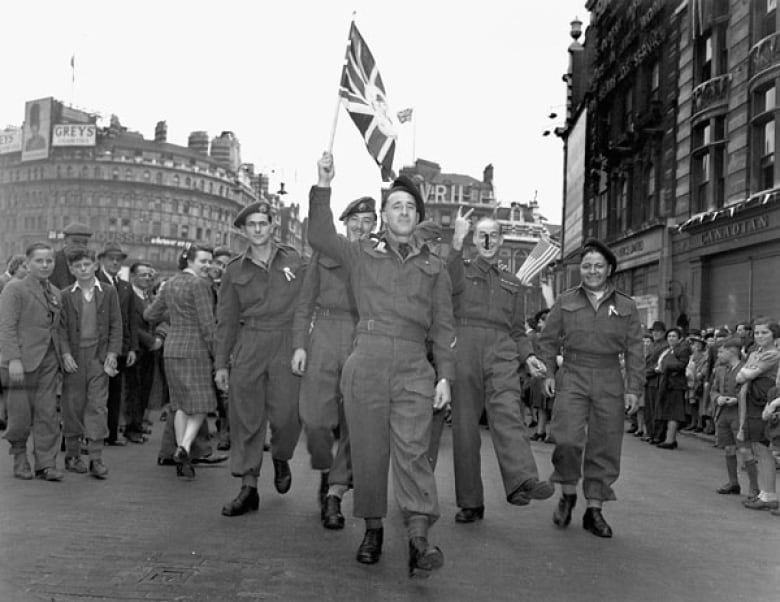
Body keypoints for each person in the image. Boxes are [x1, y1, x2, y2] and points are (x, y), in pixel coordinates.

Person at [309, 152, 455, 578]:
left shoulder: (435, 266)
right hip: (367, 357)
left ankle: (418, 538)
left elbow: (444, 327)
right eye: (396, 206)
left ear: (417, 216)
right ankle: (372, 529)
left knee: (413, 452)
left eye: (410, 207)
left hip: (414, 364)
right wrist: (323, 185)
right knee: (369, 451)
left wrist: (444, 375)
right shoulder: (360, 254)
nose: (404, 212)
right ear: (384, 217)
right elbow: (320, 236)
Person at [445, 209, 553, 524]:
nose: (489, 240)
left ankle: (522, 479)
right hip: (465, 346)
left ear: (502, 241)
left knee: (508, 412)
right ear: (475, 240)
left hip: (502, 349)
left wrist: (528, 356)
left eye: (494, 235)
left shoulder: (512, 282)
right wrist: (456, 239)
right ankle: (470, 502)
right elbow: (444, 280)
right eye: (482, 235)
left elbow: (518, 331)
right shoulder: (461, 269)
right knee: (465, 430)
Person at [537, 238, 644, 538]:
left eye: (598, 266)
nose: (592, 271)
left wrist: (634, 388)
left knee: (605, 443)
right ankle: (568, 492)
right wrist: (547, 372)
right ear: (580, 270)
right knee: (567, 438)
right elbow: (547, 340)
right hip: (572, 373)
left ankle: (594, 509)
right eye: (587, 266)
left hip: (610, 375)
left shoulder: (626, 306)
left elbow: (636, 350)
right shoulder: (565, 300)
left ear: (609, 268)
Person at [291, 195, 377, 529]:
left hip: (363, 334)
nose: (360, 226)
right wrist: (299, 345)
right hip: (324, 334)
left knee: (356, 421)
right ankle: (326, 468)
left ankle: (334, 493)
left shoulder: (378, 258)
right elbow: (304, 303)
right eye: (355, 220)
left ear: (374, 226)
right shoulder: (325, 254)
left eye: (368, 221)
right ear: (344, 224)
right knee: (315, 418)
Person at [215, 201, 304, 517]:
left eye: (262, 223)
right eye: (250, 224)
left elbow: (306, 307)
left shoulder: (294, 260)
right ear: (243, 230)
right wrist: (221, 364)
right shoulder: (234, 270)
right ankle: (248, 487)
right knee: (246, 418)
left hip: (286, 342)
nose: (256, 229)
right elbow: (226, 319)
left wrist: (301, 346)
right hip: (250, 342)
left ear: (272, 227)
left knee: (287, 416)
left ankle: (281, 456)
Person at [144, 244, 217, 480]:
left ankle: (181, 453)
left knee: (180, 403)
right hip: (195, 349)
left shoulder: (170, 283)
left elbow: (150, 315)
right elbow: (207, 324)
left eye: (210, 261)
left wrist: (175, 317)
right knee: (202, 403)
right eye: (203, 261)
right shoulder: (200, 285)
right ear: (190, 261)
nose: (208, 266)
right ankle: (184, 446)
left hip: (172, 347)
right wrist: (218, 354)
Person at [0, 242, 64, 481]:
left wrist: (62, 357)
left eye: (49, 261)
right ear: (27, 264)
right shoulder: (14, 289)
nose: (45, 265)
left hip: (48, 361)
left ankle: (46, 463)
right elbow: (6, 327)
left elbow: (57, 329)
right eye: (39, 261)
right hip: (19, 363)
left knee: (48, 413)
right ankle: (19, 458)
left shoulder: (56, 293)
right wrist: (13, 359)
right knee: (19, 415)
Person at [58, 246, 122, 479]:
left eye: (87, 265)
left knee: (97, 406)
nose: (83, 269)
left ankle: (96, 457)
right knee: (73, 406)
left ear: (95, 265)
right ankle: (73, 454)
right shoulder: (65, 295)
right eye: (78, 266)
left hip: (98, 357)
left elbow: (116, 324)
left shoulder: (107, 291)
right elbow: (61, 329)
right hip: (75, 358)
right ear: (72, 269)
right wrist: (65, 354)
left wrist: (113, 354)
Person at [96, 242, 139, 445]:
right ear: (102, 260)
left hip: (120, 347)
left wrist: (132, 347)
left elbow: (131, 319)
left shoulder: (125, 286)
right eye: (111, 259)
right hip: (97, 347)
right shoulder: (94, 281)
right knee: (96, 393)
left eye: (119, 260)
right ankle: (95, 434)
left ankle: (111, 434)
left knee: (115, 392)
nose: (115, 262)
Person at [736, 317, 780, 511]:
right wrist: (747, 371)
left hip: (763, 402)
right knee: (757, 447)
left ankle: (769, 494)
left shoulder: (773, 354)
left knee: (764, 448)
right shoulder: (756, 353)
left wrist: (748, 371)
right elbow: (739, 375)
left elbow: (747, 374)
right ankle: (764, 492)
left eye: (765, 332)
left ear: (774, 335)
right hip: (751, 403)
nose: (760, 336)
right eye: (757, 332)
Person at [125, 262, 161, 445]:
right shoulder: (127, 295)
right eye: (143, 275)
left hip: (150, 351)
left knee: (145, 388)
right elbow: (129, 324)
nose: (147, 278)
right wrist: (150, 340)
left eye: (149, 275)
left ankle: (138, 425)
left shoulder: (150, 297)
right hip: (135, 348)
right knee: (134, 389)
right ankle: (131, 427)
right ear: (133, 277)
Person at [711, 337, 747, 495]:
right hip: (723, 413)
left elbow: (750, 392)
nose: (718, 355)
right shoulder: (719, 370)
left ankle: (754, 488)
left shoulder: (745, 369)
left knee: (746, 450)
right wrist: (717, 398)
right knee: (728, 448)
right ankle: (733, 483)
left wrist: (737, 399)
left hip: (739, 413)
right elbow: (713, 390)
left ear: (732, 351)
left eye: (721, 351)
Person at [209, 247, 233, 452]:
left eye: (225, 265)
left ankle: (239, 431)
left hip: (233, 341)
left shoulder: (234, 285)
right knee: (221, 390)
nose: (220, 268)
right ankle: (224, 429)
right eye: (218, 263)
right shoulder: (205, 285)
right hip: (211, 341)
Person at [0, 255, 28, 430]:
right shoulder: (8, 284)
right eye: (24, 267)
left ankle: (6, 416)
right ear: (16, 267)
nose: (27, 270)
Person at [654, 328, 692, 450]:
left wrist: (666, 366)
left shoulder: (683, 349)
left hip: (675, 385)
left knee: (674, 413)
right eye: (669, 336)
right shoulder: (668, 350)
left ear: (679, 338)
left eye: (674, 336)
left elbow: (682, 365)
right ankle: (670, 438)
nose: (671, 338)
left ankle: (670, 440)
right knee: (668, 411)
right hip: (667, 384)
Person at [643, 320, 667, 443]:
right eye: (654, 331)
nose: (655, 333)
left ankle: (658, 435)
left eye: (658, 331)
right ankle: (650, 432)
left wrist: (646, 373)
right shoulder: (652, 345)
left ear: (663, 333)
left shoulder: (665, 345)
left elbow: (659, 364)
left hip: (657, 379)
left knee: (657, 409)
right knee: (649, 408)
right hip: (649, 379)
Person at [50, 222, 93, 290]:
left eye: (84, 243)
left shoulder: (91, 264)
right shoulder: (53, 261)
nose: (80, 246)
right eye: (75, 242)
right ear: (65, 240)